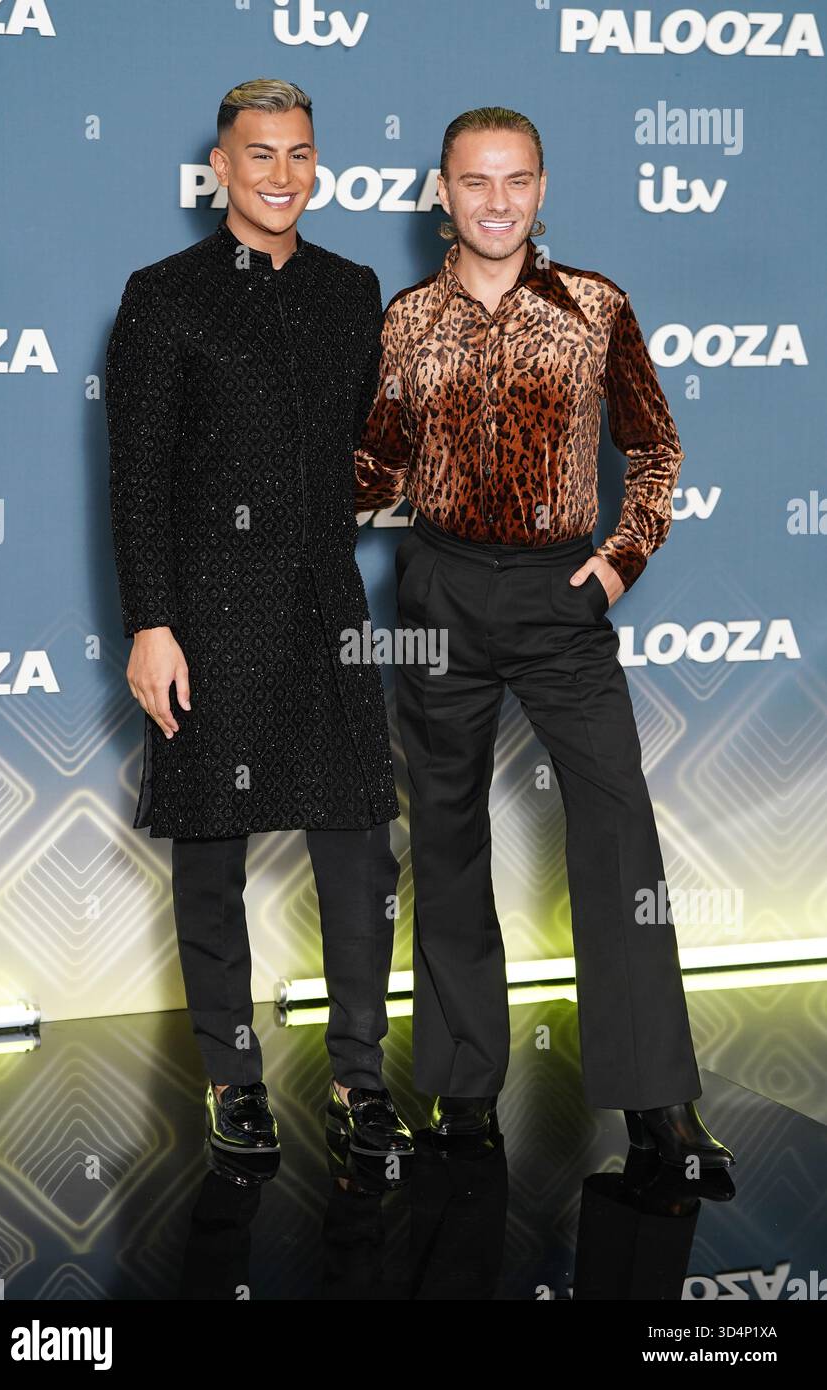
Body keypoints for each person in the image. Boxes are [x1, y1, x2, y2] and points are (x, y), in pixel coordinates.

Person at [354, 106, 734, 1170]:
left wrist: (618, 561)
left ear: (541, 186)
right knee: (443, 832)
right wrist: (285, 502)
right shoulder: (402, 321)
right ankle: (463, 1088)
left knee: (616, 829)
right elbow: (377, 465)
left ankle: (656, 1100)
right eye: (474, 182)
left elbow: (653, 450)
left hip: (557, 595)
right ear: (440, 191)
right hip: (436, 589)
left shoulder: (594, 308)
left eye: (514, 180)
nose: (495, 202)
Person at [105, 78, 412, 1160]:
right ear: (221, 170)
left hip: (323, 602)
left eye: (299, 154)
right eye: (260, 155)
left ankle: (359, 1081)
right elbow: (137, 477)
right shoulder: (163, 294)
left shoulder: (352, 287)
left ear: (315, 163)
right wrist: (152, 622)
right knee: (209, 853)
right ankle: (233, 1077)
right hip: (205, 610)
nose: (282, 175)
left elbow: (381, 450)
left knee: (360, 855)